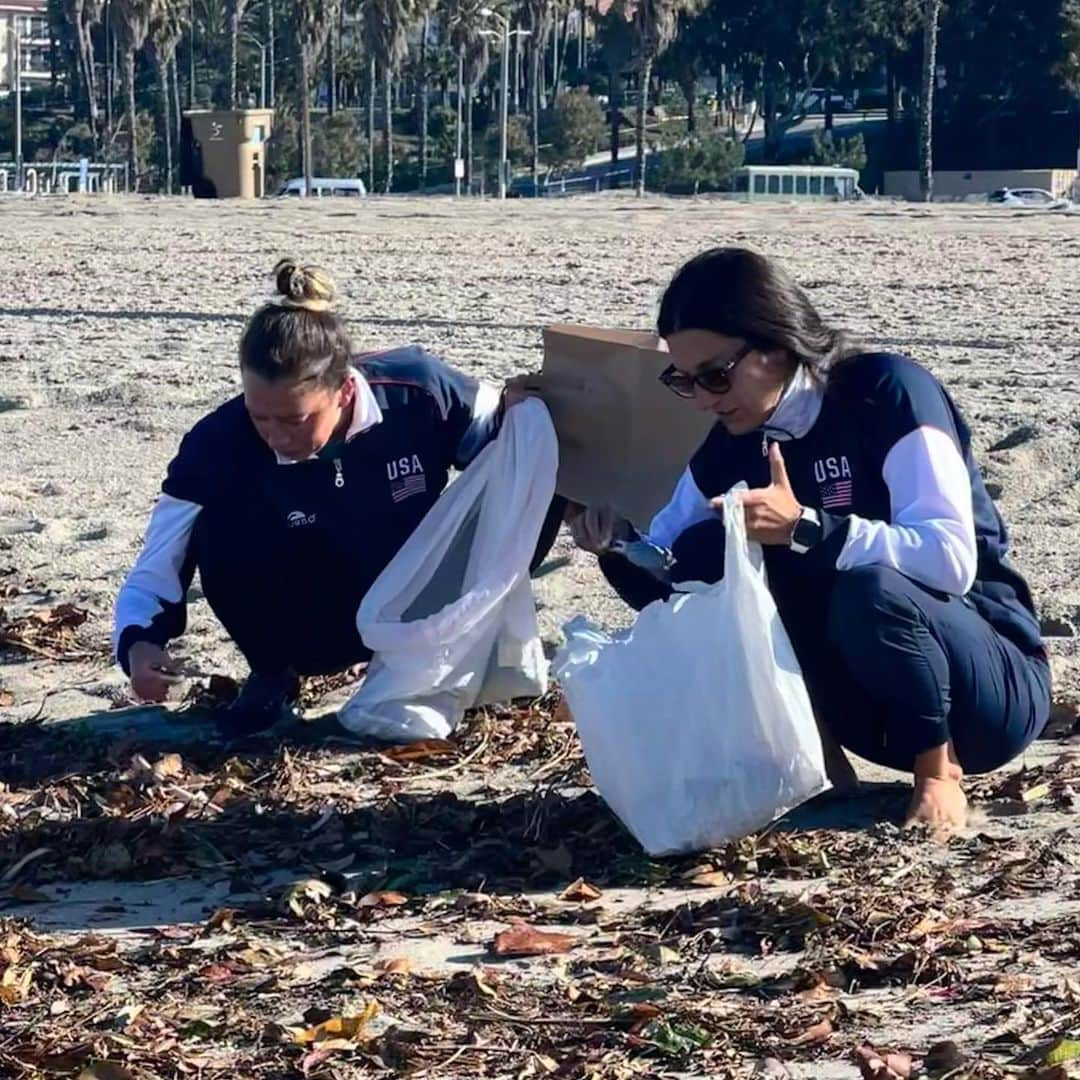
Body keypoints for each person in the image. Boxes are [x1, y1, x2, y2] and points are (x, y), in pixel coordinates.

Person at [569, 247, 1050, 832]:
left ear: (774, 344)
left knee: (866, 586)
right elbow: (673, 573)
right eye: (683, 381)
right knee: (711, 555)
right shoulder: (731, 442)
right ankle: (823, 762)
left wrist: (806, 528)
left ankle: (938, 774)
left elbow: (950, 560)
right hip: (873, 711)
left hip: (987, 689)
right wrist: (617, 546)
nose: (703, 398)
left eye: (715, 376)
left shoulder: (886, 392)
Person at [113, 259, 559, 736]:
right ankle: (273, 674)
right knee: (216, 525)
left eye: (294, 420)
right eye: (259, 416)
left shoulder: (417, 391)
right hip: (298, 617)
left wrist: (521, 416)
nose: (274, 436)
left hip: (410, 600)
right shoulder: (217, 443)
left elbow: (511, 449)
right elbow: (157, 562)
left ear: (345, 390)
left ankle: (435, 664)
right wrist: (140, 643)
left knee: (535, 472)